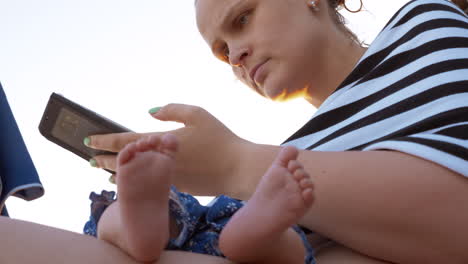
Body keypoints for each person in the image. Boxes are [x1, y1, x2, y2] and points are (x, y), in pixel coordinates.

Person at [0, 0, 467, 263]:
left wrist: (233, 163)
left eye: (242, 19)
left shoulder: (422, 24)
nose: (236, 56)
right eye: (222, 52)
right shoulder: (290, 161)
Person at [89, 133, 316, 264]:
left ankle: (139, 229)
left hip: (189, 228)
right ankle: (251, 232)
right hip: (209, 226)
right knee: (287, 251)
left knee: (108, 219)